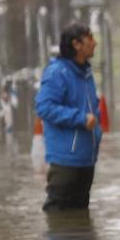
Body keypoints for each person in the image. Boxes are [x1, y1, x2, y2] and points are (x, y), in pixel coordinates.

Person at [35, 23, 101, 210]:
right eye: (90, 38)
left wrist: (98, 130)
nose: (95, 43)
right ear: (76, 44)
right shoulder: (58, 72)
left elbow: (93, 109)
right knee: (59, 217)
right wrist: (80, 118)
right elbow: (44, 107)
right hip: (65, 160)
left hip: (87, 158)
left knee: (80, 219)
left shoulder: (86, 73)